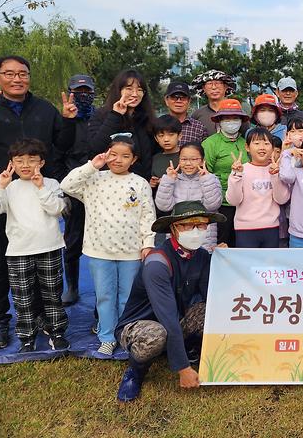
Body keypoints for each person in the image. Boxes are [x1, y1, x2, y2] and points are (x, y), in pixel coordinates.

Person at [0, 54, 77, 350]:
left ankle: (39, 316)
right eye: (9, 73)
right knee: (1, 256)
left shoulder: (44, 109)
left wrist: (68, 121)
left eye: (22, 73)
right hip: (5, 192)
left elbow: (62, 145)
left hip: (39, 191)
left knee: (42, 255)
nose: (17, 79)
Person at [115, 201, 226, 402]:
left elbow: (211, 293)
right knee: (156, 335)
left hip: (177, 318)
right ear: (174, 228)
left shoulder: (201, 256)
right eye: (187, 225)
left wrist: (222, 259)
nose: (195, 230)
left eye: (201, 224)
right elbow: (167, 317)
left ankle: (190, 349)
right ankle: (136, 371)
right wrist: (182, 368)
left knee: (209, 310)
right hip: (144, 324)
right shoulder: (157, 262)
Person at [60, 135, 156, 356]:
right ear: (105, 154)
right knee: (104, 295)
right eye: (113, 154)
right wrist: (92, 166)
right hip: (99, 249)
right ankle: (106, 336)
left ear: (134, 159)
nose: (118, 160)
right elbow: (67, 185)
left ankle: (126, 334)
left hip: (131, 251)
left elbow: (147, 216)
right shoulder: (93, 179)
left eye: (125, 156)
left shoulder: (139, 183)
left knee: (127, 296)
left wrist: (147, 243)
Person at [0, 139, 69, 352]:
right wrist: (0, 186)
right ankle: (26, 337)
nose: (25, 165)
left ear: (42, 162)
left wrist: (40, 187)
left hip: (50, 248)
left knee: (52, 294)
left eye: (32, 160)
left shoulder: (52, 184)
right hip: (19, 252)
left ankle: (57, 332)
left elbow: (56, 209)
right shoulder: (8, 188)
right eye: (19, 160)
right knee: (22, 297)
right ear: (12, 163)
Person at [58, 73, 96, 305]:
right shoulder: (63, 119)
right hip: (73, 188)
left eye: (87, 92)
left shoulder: (100, 118)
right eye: (78, 91)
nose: (83, 96)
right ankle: (71, 286)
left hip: (99, 187)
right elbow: (57, 154)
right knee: (73, 239)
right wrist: (63, 191)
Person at [87, 69, 157, 181]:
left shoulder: (147, 119)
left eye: (139, 90)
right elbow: (95, 148)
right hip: (108, 183)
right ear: (118, 90)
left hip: (140, 185)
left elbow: (153, 154)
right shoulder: (102, 115)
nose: (134, 94)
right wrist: (116, 115)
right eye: (129, 89)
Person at [225, 128, 290, 248]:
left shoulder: (276, 169)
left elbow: (282, 199)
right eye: (256, 143)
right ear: (247, 147)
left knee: (268, 265)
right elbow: (233, 200)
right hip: (245, 229)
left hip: (271, 228)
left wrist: (275, 175)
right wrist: (236, 175)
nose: (262, 147)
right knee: (248, 266)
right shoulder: (240, 170)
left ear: (272, 147)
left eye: (266, 144)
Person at [154, 142, 222, 252]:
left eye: (194, 159)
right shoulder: (172, 179)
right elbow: (163, 206)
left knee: (201, 264)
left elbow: (212, 205)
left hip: (204, 237)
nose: (188, 163)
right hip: (179, 235)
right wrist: (168, 180)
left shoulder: (211, 179)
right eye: (184, 159)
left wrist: (206, 180)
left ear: (203, 160)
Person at [202, 99, 249, 248]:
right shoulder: (210, 144)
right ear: (220, 121)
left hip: (246, 202)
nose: (231, 122)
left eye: (235, 118)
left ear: (241, 121)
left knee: (241, 245)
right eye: (226, 118)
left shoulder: (245, 143)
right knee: (223, 243)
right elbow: (205, 173)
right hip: (222, 204)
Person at [191, 70, 235, 137]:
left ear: (225, 87)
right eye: (209, 84)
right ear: (204, 88)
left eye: (218, 83)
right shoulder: (197, 115)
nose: (214, 87)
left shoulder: (237, 112)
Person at [164, 79, 206, 145]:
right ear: (166, 100)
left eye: (183, 98)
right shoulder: (157, 125)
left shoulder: (199, 127)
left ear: (189, 101)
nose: (178, 101)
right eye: (174, 97)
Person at [150, 115, 182, 196]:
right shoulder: (155, 158)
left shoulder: (187, 156)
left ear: (179, 136)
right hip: (161, 202)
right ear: (156, 139)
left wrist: (167, 181)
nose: (166, 139)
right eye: (161, 136)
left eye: (171, 134)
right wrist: (152, 183)